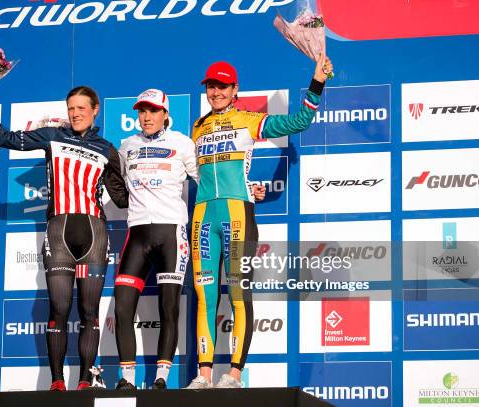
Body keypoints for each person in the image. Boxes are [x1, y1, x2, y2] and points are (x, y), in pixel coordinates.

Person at [0, 77, 129, 391]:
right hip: (59, 233)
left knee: (90, 313)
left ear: (95, 110)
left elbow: (122, 198)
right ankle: (57, 383)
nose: (76, 113)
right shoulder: (53, 136)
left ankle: (85, 381)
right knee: (59, 307)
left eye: (82, 108)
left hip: (95, 234)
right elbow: (5, 138)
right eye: (71, 108)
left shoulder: (107, 149)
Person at [187, 55, 334, 389]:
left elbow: (298, 122)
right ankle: (204, 374)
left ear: (235, 89)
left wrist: (317, 82)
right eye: (211, 86)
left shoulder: (247, 119)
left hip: (238, 213)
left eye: (222, 86)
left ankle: (235, 374)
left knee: (238, 293)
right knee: (205, 294)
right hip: (202, 216)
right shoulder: (197, 126)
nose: (216, 92)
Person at [113, 88, 197, 390]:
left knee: (169, 306)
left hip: (171, 233)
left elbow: (206, 180)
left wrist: (244, 189)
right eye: (141, 111)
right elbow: (112, 179)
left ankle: (161, 379)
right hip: (136, 233)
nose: (146, 117)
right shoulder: (127, 146)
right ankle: (127, 379)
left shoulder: (183, 144)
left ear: (165, 114)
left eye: (152, 111)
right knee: (122, 306)